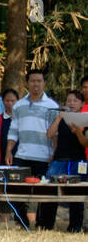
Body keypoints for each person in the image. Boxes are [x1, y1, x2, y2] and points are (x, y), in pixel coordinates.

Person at [6, 69, 60, 229]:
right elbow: (13, 129)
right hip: (22, 154)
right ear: (27, 83)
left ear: (44, 83)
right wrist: (9, 150)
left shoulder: (52, 106)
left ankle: (45, 225)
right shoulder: (19, 105)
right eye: (32, 81)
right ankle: (22, 222)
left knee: (46, 192)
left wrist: (54, 153)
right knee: (15, 190)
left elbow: (55, 132)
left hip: (44, 155)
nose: (36, 84)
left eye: (39, 81)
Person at [46, 90, 88, 232]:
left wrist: (77, 131)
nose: (71, 103)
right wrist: (59, 118)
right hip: (59, 160)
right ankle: (47, 225)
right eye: (69, 100)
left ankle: (75, 226)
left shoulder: (85, 119)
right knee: (50, 192)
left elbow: (85, 144)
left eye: (75, 101)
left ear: (82, 104)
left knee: (77, 194)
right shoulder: (61, 119)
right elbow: (50, 134)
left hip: (78, 161)